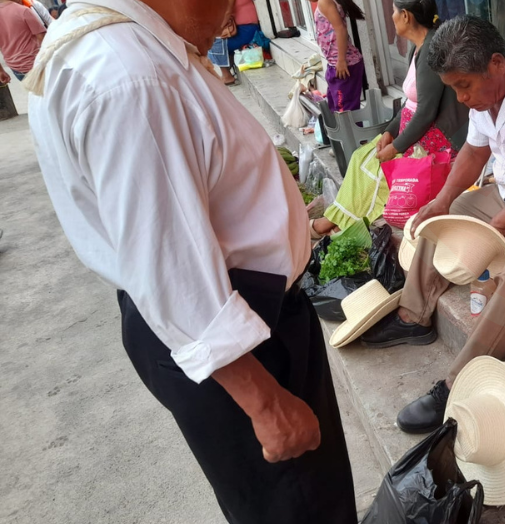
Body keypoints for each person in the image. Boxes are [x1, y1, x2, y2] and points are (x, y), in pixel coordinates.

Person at [27, 0, 357, 522]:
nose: (230, 18)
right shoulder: (130, 76)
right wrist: (265, 403)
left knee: (295, 498)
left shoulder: (111, 44)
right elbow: (171, 267)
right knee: (301, 503)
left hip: (229, 317)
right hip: (238, 334)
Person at [361, 15, 505, 434]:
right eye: (454, 88)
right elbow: (474, 153)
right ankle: (413, 316)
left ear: (496, 64)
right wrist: (441, 201)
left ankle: (460, 381)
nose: (460, 97)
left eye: (463, 86)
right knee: (445, 218)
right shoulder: (488, 92)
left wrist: (500, 224)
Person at [310, 0, 469, 238]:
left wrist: (396, 147)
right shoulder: (418, 48)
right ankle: (338, 220)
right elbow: (410, 103)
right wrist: (389, 132)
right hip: (415, 129)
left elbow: (426, 111)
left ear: (406, 16)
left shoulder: (431, 50)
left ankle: (337, 224)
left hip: (437, 138)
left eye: (394, 11)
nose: (391, 16)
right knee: (361, 157)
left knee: (377, 169)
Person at [315, 0, 365, 113]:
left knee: (345, 112)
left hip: (343, 65)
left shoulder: (325, 1)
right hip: (336, 64)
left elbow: (340, 29)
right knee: (336, 110)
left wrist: (341, 60)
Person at [217, 0, 260, 86]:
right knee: (216, 39)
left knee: (213, 43)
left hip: (246, 30)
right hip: (243, 29)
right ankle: (227, 70)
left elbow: (227, 11)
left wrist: (218, 28)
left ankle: (227, 76)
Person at [0, 0, 45, 81]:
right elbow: (44, 39)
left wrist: (1, 71)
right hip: (36, 64)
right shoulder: (23, 11)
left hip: (15, 68)